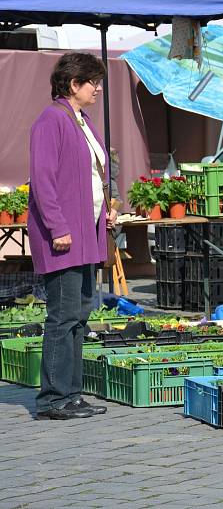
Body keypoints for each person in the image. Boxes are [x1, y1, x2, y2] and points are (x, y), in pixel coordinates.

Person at [30, 53, 116, 420]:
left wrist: (107, 209)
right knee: (62, 317)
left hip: (85, 235)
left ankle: (72, 394)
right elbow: (43, 180)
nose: (98, 88)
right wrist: (58, 228)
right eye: (92, 82)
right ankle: (53, 399)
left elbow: (91, 175)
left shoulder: (82, 120)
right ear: (72, 85)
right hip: (64, 237)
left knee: (79, 316)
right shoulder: (52, 120)